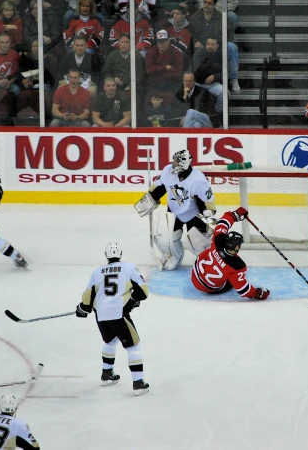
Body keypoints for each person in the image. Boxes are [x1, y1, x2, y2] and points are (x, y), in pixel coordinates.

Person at [74, 242, 150, 396]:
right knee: (133, 347)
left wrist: (83, 308)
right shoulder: (129, 268)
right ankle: (138, 383)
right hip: (119, 314)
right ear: (120, 254)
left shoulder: (97, 272)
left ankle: (107, 374)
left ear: (106, 255)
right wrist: (133, 300)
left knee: (110, 341)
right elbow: (143, 292)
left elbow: (88, 297)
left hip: (101, 316)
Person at [134, 149, 216, 270]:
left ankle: (207, 261)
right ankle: (174, 257)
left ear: (184, 163)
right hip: (173, 213)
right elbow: (159, 187)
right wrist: (150, 198)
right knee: (166, 239)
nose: (174, 163)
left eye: (177, 162)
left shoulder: (198, 179)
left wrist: (209, 219)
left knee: (198, 244)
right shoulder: (168, 171)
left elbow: (206, 203)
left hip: (193, 215)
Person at [190, 207, 270, 300]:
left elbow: (223, 223)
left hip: (195, 273)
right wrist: (258, 293)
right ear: (237, 247)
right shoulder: (238, 266)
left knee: (213, 244)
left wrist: (234, 215)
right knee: (233, 279)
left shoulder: (219, 240)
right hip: (207, 288)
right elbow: (243, 290)